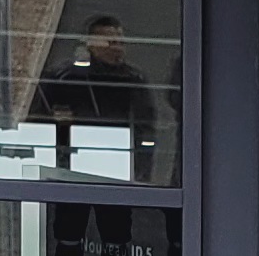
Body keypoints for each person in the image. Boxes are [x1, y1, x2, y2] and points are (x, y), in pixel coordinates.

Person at [34, 12, 166, 182]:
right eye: (110, 43)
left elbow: (145, 128)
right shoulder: (64, 77)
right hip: (70, 165)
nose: (117, 48)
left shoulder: (133, 80)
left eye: (120, 43)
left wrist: (141, 174)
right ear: (90, 44)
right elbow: (39, 120)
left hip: (119, 164)